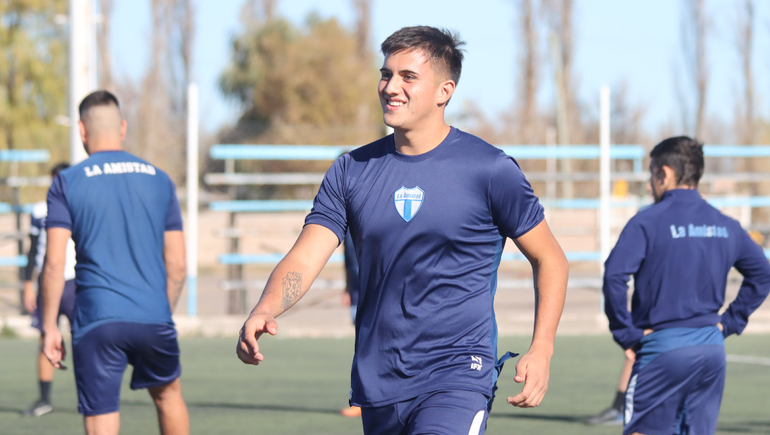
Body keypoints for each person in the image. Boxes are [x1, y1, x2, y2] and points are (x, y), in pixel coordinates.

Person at [237, 26, 568, 435]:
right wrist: (266, 307)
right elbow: (306, 256)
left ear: (444, 91)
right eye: (386, 74)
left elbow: (549, 257)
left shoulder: (490, 169)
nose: (391, 86)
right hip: (379, 382)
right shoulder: (350, 171)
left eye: (408, 77)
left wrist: (543, 347)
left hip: (458, 375)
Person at [41, 90, 189, 435]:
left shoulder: (66, 182)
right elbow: (178, 265)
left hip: (97, 320)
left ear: (81, 130)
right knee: (169, 397)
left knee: (101, 414)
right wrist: (159, 311)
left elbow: (53, 263)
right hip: (154, 314)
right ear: (122, 127)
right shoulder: (160, 179)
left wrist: (50, 326)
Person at [603, 136, 770, 435]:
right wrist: (729, 322)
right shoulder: (726, 224)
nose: (649, 185)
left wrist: (626, 333)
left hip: (663, 348)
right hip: (711, 349)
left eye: (651, 175)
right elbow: (762, 274)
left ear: (664, 173)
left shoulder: (647, 221)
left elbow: (614, 276)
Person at [21, 163, 77, 417]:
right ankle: (44, 399)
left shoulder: (81, 205)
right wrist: (27, 285)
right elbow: (33, 251)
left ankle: (89, 397)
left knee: (84, 341)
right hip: (48, 283)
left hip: (76, 282)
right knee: (46, 338)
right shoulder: (40, 210)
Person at [339, 231, 362, 418]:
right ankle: (360, 399)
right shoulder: (348, 231)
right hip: (356, 292)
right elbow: (348, 261)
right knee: (361, 345)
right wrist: (347, 287)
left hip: (376, 294)